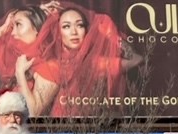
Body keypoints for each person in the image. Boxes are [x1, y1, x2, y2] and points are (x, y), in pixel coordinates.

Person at [16, 5, 144, 117]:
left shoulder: (94, 63)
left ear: (87, 31)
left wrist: (112, 36)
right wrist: (20, 74)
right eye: (66, 26)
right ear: (58, 32)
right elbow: (33, 113)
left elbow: (137, 59)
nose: (74, 32)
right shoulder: (52, 67)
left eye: (80, 25)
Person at [0, 6, 48, 92]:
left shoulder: (48, 59)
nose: (13, 33)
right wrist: (5, 27)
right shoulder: (10, 57)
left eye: (18, 25)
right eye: (12, 27)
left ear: (36, 27)